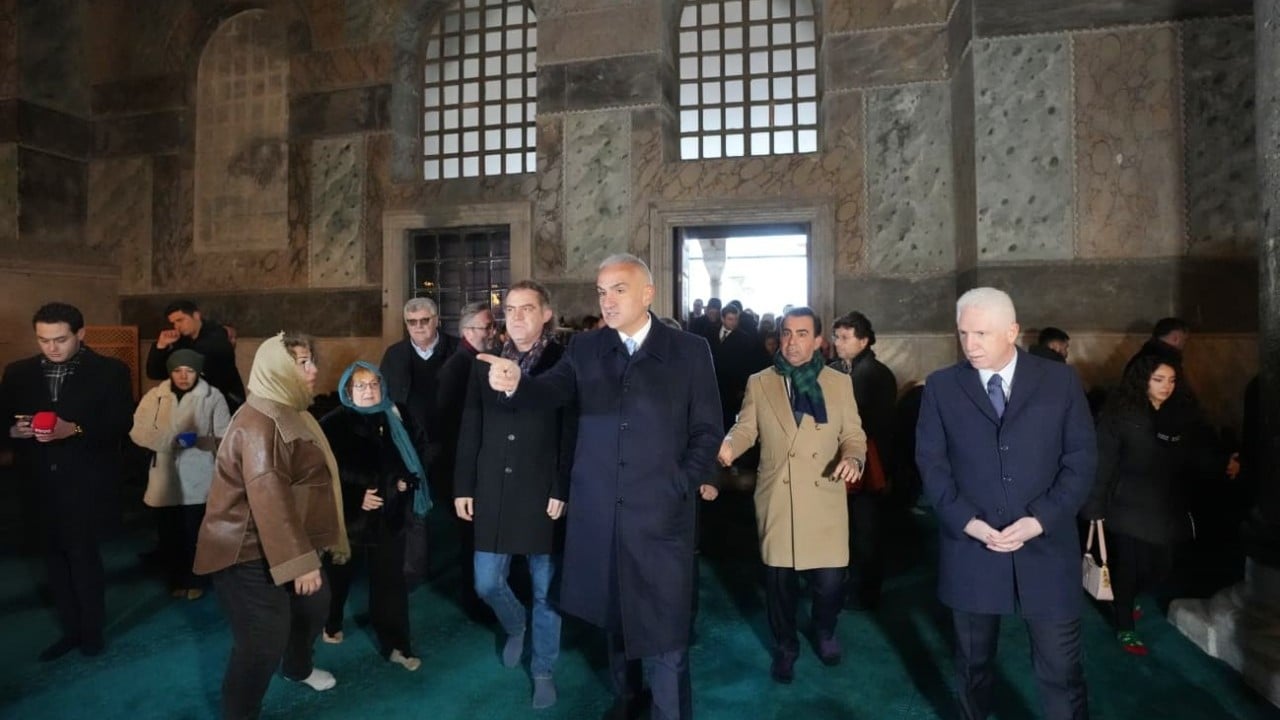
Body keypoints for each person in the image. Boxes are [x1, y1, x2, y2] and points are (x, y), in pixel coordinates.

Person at [477, 254, 722, 720]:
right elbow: (551, 391)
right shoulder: (586, 349)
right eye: (601, 292)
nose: (607, 301)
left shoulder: (689, 350)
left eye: (619, 290)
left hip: (661, 516)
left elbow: (708, 429)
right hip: (602, 515)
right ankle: (628, 702)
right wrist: (517, 384)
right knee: (616, 619)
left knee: (667, 633)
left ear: (647, 294)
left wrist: (681, 482)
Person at [916, 287, 1096, 720]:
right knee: (972, 669)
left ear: (1012, 331)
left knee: (1061, 671)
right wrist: (967, 522)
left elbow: (1082, 460)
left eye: (982, 333)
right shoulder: (942, 386)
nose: (970, 345)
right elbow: (932, 466)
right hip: (972, 548)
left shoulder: (1060, 381)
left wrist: (1041, 520)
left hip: (1047, 548)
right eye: (963, 333)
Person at [194, 332, 349, 719]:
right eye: (301, 363)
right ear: (276, 369)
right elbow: (269, 498)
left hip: (281, 540)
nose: (313, 370)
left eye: (311, 360)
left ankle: (297, 669)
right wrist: (301, 562)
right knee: (263, 639)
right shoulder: (261, 421)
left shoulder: (290, 409)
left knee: (314, 606)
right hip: (243, 548)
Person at [718, 308, 866, 683]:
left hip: (824, 492)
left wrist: (853, 457)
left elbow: (853, 434)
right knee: (779, 586)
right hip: (779, 497)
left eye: (802, 334)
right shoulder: (760, 381)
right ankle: (785, 647)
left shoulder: (838, 383)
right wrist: (730, 445)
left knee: (830, 583)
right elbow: (746, 427)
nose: (792, 341)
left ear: (818, 341)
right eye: (786, 333)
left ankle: (825, 629)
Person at [455, 280, 574, 708]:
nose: (517, 316)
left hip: (542, 490)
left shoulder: (563, 361)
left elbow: (570, 431)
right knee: (486, 582)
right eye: (510, 308)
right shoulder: (485, 361)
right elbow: (471, 424)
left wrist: (562, 485)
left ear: (545, 314)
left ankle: (543, 667)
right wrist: (463, 485)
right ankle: (515, 624)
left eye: (527, 308)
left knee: (547, 590)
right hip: (492, 486)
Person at [1, 302, 133, 660]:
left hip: (86, 483)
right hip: (38, 484)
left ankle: (91, 632)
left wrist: (71, 429)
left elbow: (121, 425)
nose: (52, 347)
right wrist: (15, 430)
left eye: (60, 339)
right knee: (53, 562)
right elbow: (3, 422)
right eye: (44, 340)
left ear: (81, 334)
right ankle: (70, 631)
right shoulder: (17, 372)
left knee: (83, 558)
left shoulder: (110, 371)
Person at [1083, 355, 1224, 655]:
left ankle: (1128, 595)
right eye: (1158, 379)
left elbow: (1197, 455)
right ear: (1142, 379)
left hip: (1165, 503)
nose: (1166, 387)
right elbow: (1103, 462)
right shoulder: (1120, 414)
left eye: (1172, 380)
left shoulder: (1182, 414)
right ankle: (1125, 626)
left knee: (1160, 567)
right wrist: (1095, 507)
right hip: (1127, 503)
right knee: (1129, 567)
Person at [319, 361, 425, 671]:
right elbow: (321, 474)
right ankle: (332, 620)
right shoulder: (331, 424)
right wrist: (355, 498)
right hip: (349, 521)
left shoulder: (397, 415)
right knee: (339, 576)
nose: (369, 391)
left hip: (389, 517)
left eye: (374, 384)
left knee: (390, 584)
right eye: (361, 386)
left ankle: (397, 645)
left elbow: (417, 452)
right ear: (348, 390)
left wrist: (405, 480)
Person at [129, 349, 230, 600]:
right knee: (169, 531)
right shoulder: (156, 397)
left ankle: (196, 579)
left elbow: (225, 434)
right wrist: (168, 440)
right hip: (164, 473)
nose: (183, 376)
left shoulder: (212, 396)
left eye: (189, 370)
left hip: (199, 473)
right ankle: (175, 578)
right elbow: (137, 430)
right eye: (177, 370)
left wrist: (202, 442)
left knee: (195, 530)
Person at [380, 297, 459, 585]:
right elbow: (385, 398)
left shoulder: (457, 349)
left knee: (456, 506)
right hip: (412, 445)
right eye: (412, 323)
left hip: (452, 440)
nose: (418, 327)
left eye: (424, 321)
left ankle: (462, 570)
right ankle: (416, 571)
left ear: (436, 320)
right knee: (415, 508)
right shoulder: (394, 355)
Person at [830, 311, 898, 610]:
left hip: (868, 466)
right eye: (836, 337)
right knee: (845, 528)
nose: (838, 343)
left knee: (865, 530)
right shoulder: (837, 369)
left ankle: (868, 592)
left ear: (864, 340)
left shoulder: (875, 374)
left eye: (845, 338)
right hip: (844, 463)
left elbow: (875, 425)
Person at [434, 301, 497, 615]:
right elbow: (447, 424)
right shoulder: (458, 366)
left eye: (491, 326)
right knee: (469, 539)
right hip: (464, 466)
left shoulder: (478, 361)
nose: (492, 332)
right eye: (487, 327)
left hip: (475, 463)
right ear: (468, 331)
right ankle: (474, 599)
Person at [145, 300, 245, 412]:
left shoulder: (216, 335)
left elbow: (198, 368)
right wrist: (161, 345)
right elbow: (155, 373)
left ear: (196, 316)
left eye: (180, 320)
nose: (177, 327)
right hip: (195, 405)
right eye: (174, 323)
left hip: (225, 402)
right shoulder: (182, 340)